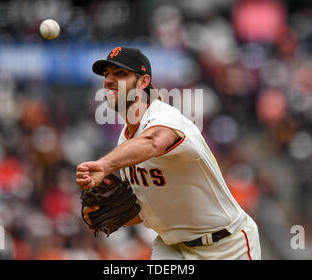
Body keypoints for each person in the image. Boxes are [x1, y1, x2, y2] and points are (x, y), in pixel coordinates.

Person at [76, 46, 261, 260]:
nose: (109, 80)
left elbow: (154, 141)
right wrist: (106, 213)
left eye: (120, 74)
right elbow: (144, 209)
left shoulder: (165, 117)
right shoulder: (125, 141)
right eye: (106, 74)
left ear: (143, 82)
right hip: (172, 247)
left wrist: (106, 165)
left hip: (226, 246)